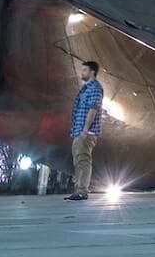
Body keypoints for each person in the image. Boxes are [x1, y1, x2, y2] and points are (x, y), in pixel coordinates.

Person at [65, 58, 104, 201]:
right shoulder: (85, 88)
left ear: (92, 72)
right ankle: (78, 190)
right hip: (79, 131)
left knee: (83, 160)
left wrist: (85, 130)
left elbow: (93, 109)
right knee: (78, 160)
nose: (82, 72)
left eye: (85, 70)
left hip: (86, 132)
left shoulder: (95, 88)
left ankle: (82, 191)